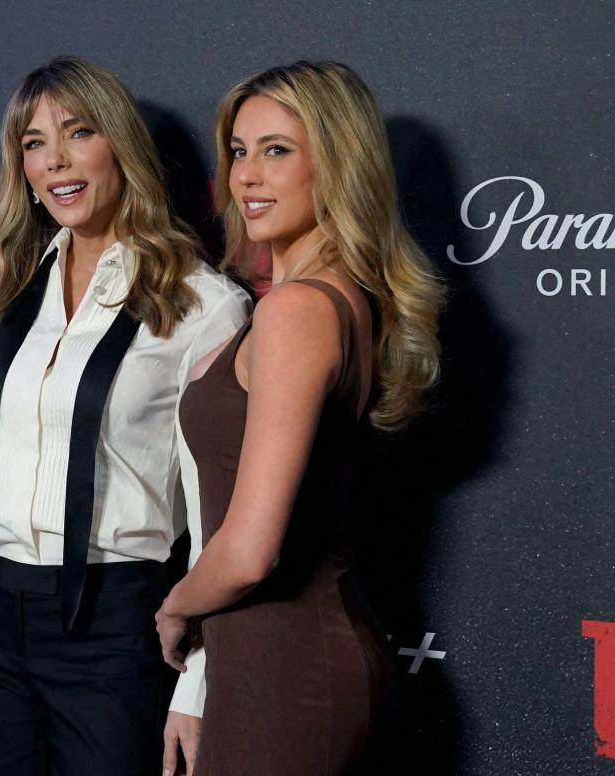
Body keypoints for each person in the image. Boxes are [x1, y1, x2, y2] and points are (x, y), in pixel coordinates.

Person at [0, 56, 250, 776]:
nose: (54, 161)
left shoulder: (203, 305)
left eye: (77, 133)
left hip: (117, 621)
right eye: (32, 142)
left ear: (118, 144)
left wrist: (199, 684)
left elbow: (220, 516)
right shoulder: (12, 291)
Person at [156, 60, 444, 774]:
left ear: (337, 165)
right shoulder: (335, 299)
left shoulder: (296, 311)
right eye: (237, 151)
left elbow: (250, 550)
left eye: (276, 151)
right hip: (288, 660)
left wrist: (175, 606)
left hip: (285, 671)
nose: (246, 175)